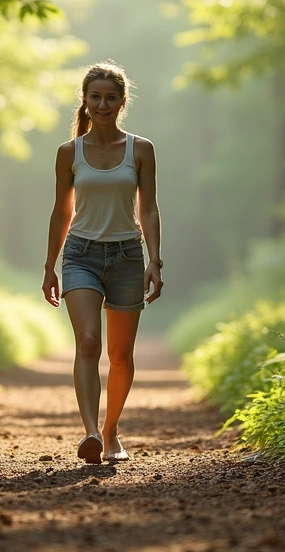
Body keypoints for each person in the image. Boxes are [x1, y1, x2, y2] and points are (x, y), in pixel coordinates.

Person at [41, 61, 164, 464]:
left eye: (111, 98)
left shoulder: (141, 149)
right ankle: (91, 432)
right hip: (81, 254)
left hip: (128, 255)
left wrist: (155, 260)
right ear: (85, 100)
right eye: (95, 97)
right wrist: (49, 266)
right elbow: (62, 212)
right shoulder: (68, 153)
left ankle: (112, 431)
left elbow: (148, 209)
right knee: (89, 342)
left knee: (122, 356)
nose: (103, 104)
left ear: (122, 102)